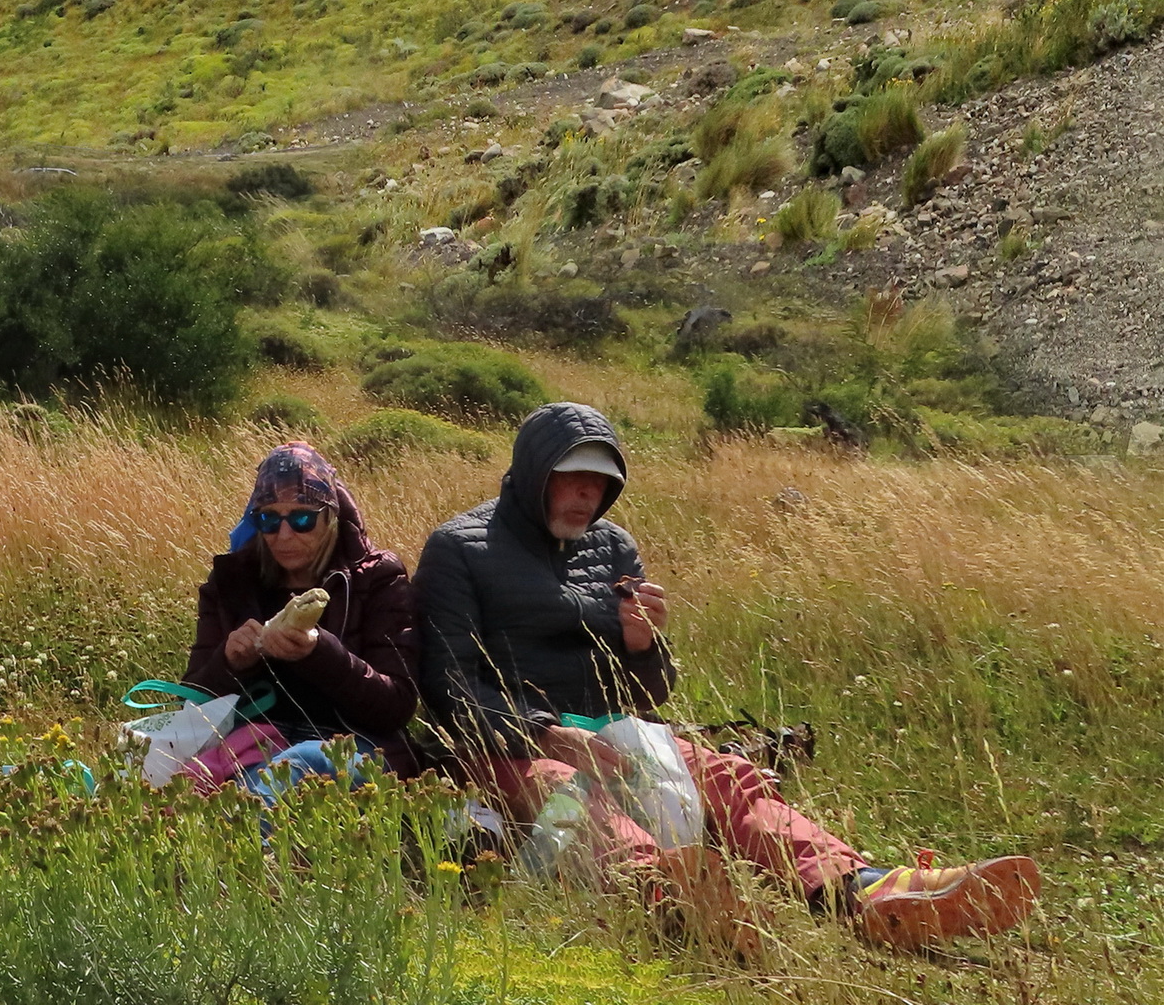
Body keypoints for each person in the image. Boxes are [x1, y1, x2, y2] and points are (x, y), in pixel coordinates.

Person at [417, 401, 1039, 950]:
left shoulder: (613, 547)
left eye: (599, 483)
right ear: (534, 475)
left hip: (611, 728)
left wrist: (641, 648)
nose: (585, 496)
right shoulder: (460, 548)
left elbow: (647, 693)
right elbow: (450, 685)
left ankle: (862, 889)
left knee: (728, 775)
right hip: (503, 747)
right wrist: (544, 733)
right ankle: (666, 897)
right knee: (569, 792)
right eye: (570, 479)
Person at [183, 441, 423, 797]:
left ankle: (247, 831)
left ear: (330, 518)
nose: (284, 535)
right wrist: (230, 662)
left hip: (352, 745)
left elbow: (397, 707)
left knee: (296, 769)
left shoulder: (376, 577)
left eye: (301, 519)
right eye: (268, 519)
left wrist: (319, 653)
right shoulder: (233, 581)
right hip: (255, 740)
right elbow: (191, 704)